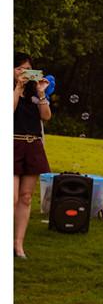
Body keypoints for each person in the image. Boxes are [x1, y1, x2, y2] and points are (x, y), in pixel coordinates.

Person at [13, 51, 52, 258]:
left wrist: (42, 92)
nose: (24, 73)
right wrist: (18, 87)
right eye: (19, 69)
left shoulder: (35, 93)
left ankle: (18, 244)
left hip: (33, 145)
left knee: (26, 197)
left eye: (28, 69)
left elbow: (46, 117)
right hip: (12, 144)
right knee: (10, 198)